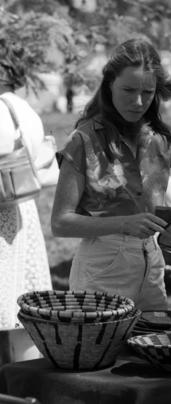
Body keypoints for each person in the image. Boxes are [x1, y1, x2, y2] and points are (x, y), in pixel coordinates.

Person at [51, 38, 171, 311]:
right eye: (128, 90)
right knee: (107, 352)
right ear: (109, 84)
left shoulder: (157, 142)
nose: (138, 102)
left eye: (147, 93)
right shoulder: (84, 141)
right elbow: (60, 223)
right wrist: (123, 224)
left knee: (152, 348)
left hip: (152, 264)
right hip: (102, 269)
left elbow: (156, 225)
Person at [0, 40, 52, 364]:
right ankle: (26, 389)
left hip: (3, 220)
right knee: (22, 319)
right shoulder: (22, 108)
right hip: (22, 212)